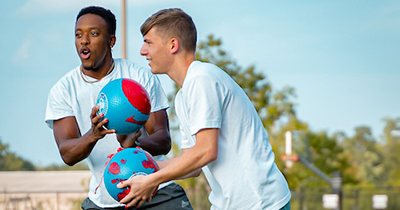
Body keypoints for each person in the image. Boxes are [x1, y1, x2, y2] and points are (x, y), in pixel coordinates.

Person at [116, 8, 292, 210]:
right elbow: (193, 164)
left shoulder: (202, 78)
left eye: (148, 42)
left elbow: (206, 151)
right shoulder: (183, 95)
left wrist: (151, 181)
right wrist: (139, 171)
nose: (142, 51)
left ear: (173, 45)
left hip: (260, 203)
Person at [45, 6, 193, 210]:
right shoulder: (63, 90)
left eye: (94, 34)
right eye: (79, 35)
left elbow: (163, 139)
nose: (84, 40)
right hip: (106, 200)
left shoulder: (139, 78)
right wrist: (93, 134)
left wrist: (135, 142)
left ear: (111, 41)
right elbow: (67, 154)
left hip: (156, 190)